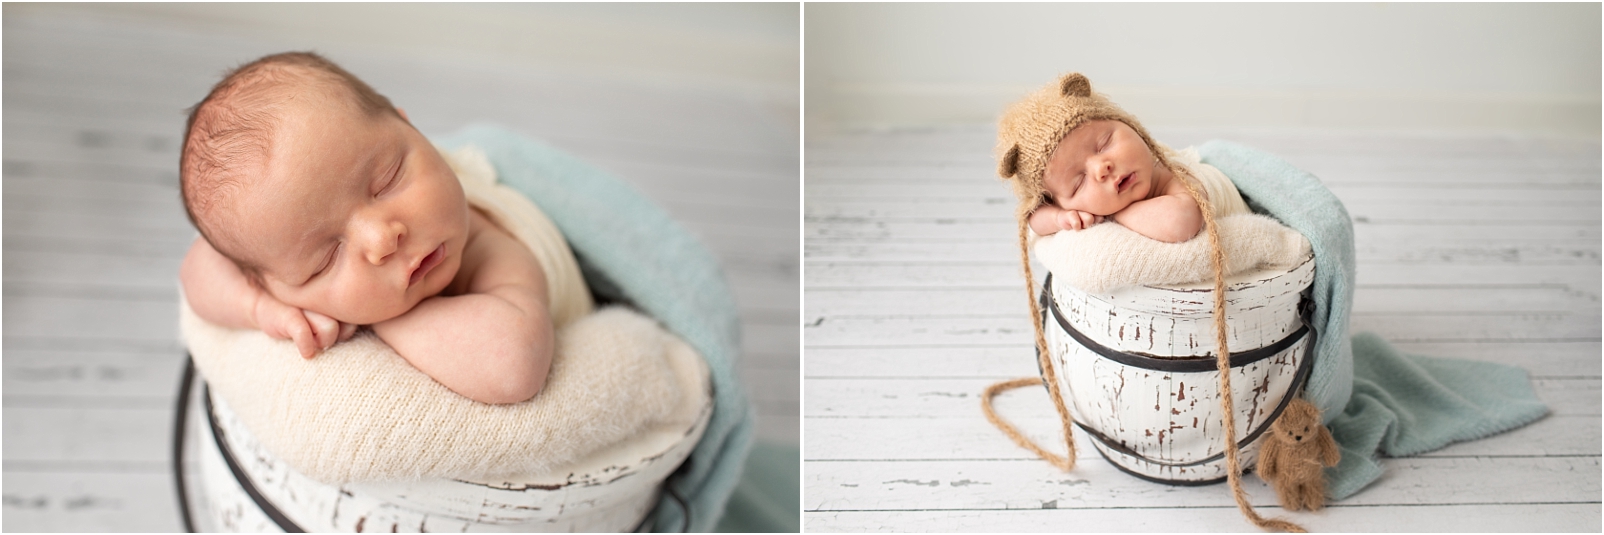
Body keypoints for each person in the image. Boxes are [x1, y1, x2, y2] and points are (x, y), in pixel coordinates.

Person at [178, 52, 559, 405]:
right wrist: (260, 307)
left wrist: (378, 319)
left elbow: (513, 367)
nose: (382, 239)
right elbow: (197, 269)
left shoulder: (492, 248)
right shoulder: (273, 273)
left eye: (386, 181)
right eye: (326, 258)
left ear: (411, 127)